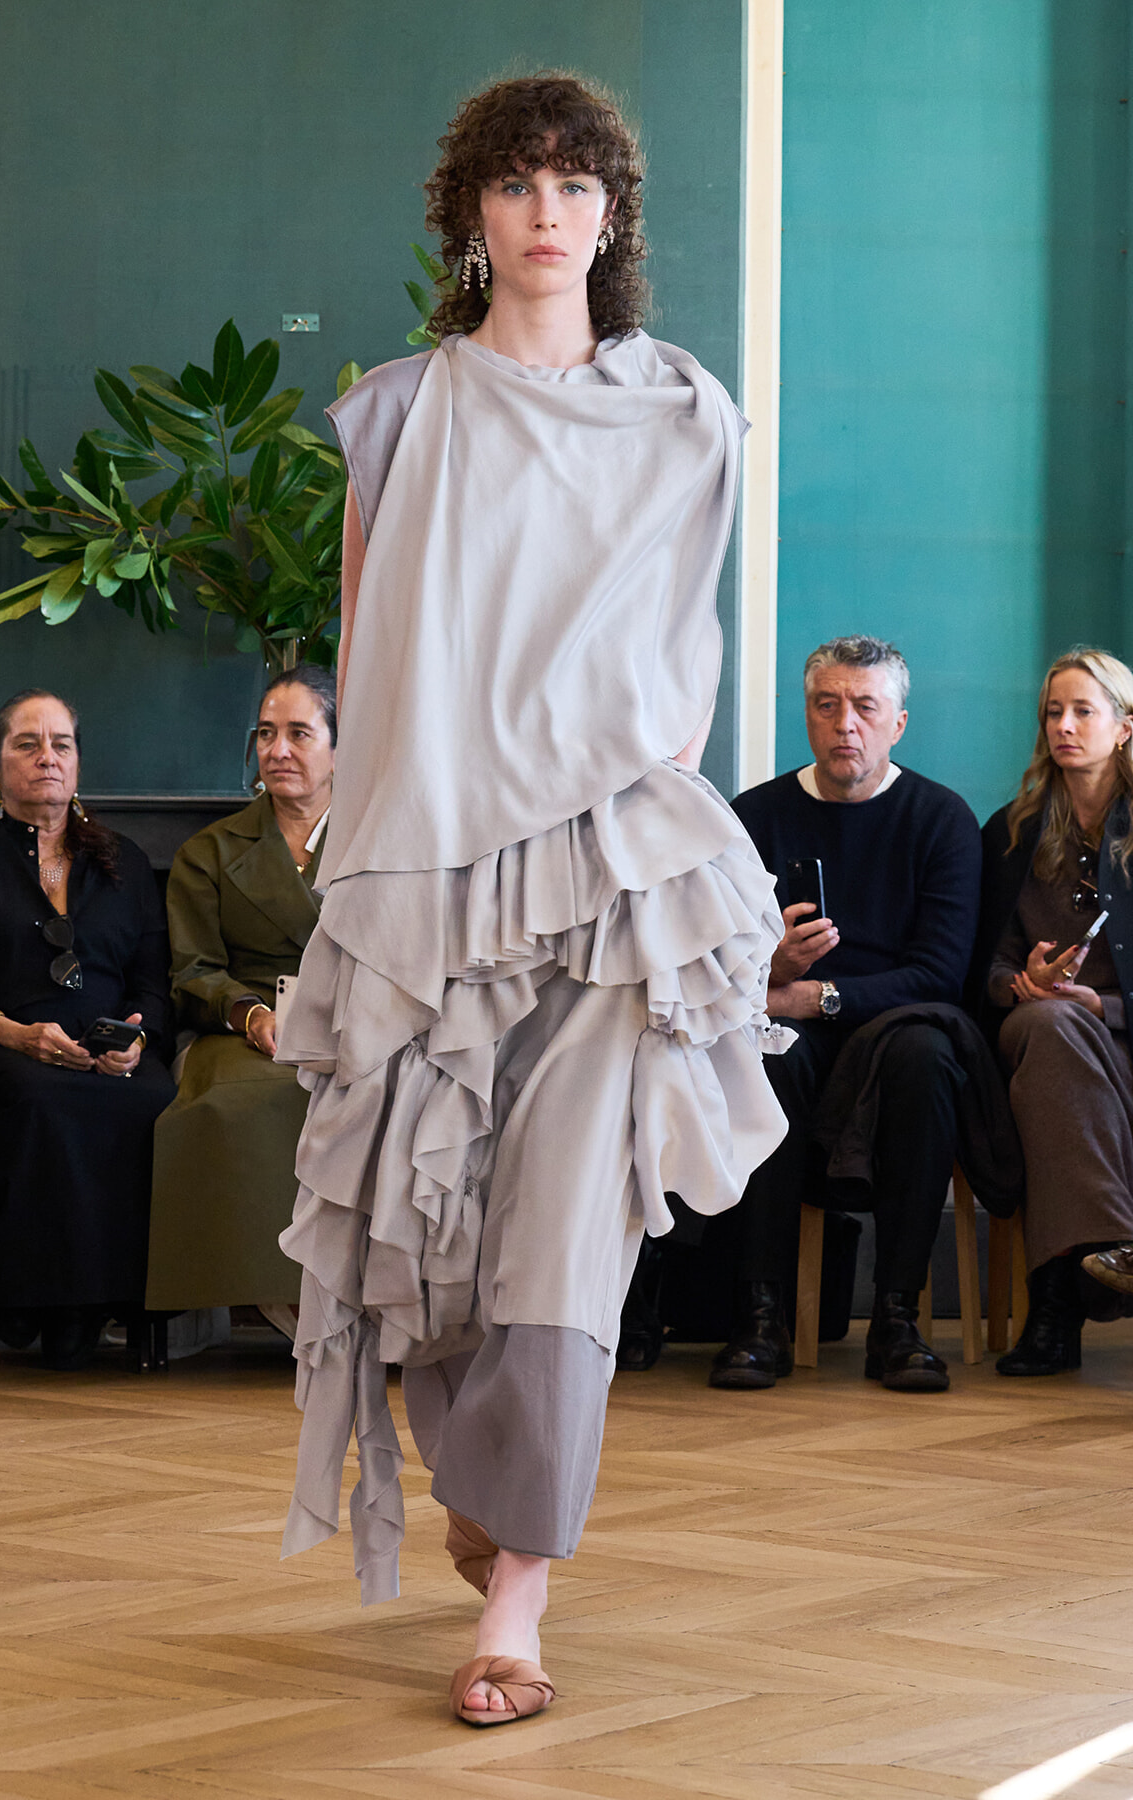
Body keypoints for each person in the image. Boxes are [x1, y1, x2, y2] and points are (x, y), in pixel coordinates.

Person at [273, 72, 789, 1725]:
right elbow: (368, 647)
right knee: (431, 1223)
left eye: (579, 183)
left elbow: (673, 651)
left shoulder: (684, 412)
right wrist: (359, 865)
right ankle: (491, 1485)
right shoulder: (403, 409)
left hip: (611, 875)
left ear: (613, 216)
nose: (551, 208)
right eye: (518, 182)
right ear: (471, 215)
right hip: (428, 875)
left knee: (566, 1218)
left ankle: (518, 1603)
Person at [707, 636, 982, 1394]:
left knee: (923, 1056)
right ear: (806, 715)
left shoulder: (941, 819)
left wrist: (821, 994)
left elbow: (941, 974)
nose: (845, 725)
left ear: (897, 723)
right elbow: (717, 965)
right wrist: (776, 969)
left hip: (895, 1029)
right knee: (768, 1052)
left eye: (865, 708)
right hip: (786, 1025)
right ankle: (760, 1315)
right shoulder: (753, 817)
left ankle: (897, 1317)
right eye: (827, 706)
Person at [0, 690, 174, 1369]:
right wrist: (12, 1031)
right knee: (39, 1097)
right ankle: (34, 1305)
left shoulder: (120, 862)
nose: (47, 758)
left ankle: (117, 1304)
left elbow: (153, 984)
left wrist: (137, 1038)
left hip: (103, 1053)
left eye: (61, 745)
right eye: (26, 745)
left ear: (77, 763)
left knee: (151, 1097)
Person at [144, 665, 335, 1325]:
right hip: (243, 1031)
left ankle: (380, 1295)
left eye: (299, 733)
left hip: (360, 1027)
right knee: (246, 1099)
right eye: (266, 733)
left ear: (341, 747)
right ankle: (281, 1293)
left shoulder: (384, 847)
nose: (278, 750)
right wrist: (250, 1014)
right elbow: (193, 970)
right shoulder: (211, 852)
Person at [979, 648, 1133, 1374]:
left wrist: (1100, 1002)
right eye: (1052, 712)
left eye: (1083, 711)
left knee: (1068, 1043)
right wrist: (1023, 982)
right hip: (1030, 1025)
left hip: (1114, 1043)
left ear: (1125, 728)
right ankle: (1116, 1246)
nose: (1063, 726)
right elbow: (979, 960)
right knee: (1052, 1028)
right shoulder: (1012, 830)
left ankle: (1056, 1309)